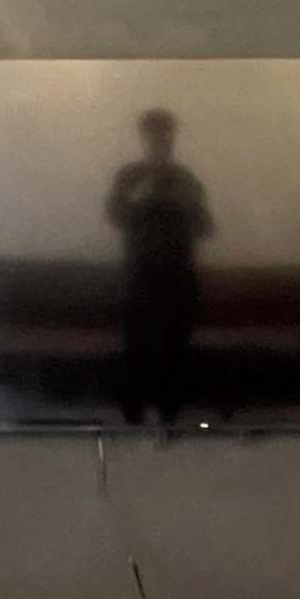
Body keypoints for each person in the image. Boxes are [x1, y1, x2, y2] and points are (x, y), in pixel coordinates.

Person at [105, 107, 211, 423]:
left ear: (172, 138)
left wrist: (189, 205)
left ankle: (169, 418)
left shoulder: (186, 179)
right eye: (154, 135)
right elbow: (115, 216)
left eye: (165, 135)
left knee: (175, 351)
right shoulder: (129, 176)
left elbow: (206, 228)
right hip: (139, 276)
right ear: (144, 138)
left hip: (179, 276)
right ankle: (133, 418)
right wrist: (139, 196)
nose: (160, 141)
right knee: (136, 350)